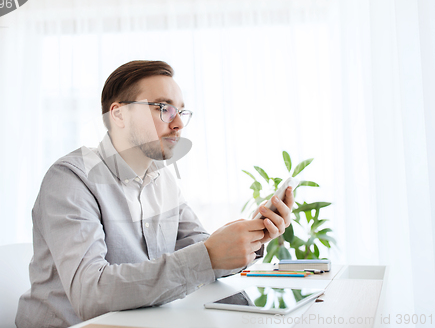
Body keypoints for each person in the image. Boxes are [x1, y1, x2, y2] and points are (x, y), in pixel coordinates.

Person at [15, 60, 294, 328]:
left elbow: (201, 251)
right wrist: (208, 255)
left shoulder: (164, 180)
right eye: (163, 108)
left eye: (181, 112)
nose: (178, 125)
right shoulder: (71, 178)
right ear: (118, 114)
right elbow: (92, 295)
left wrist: (251, 235)